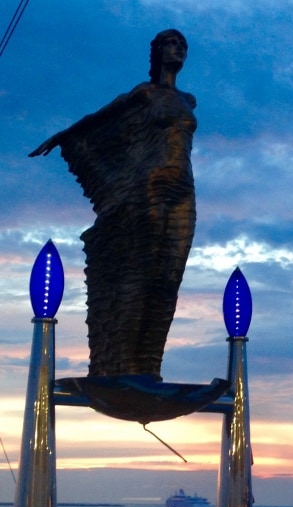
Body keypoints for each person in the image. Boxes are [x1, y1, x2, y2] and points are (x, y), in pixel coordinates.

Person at [29, 30, 197, 380]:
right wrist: (64, 136)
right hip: (152, 183)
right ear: (157, 52)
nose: (178, 49)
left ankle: (150, 366)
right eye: (171, 43)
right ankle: (124, 364)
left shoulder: (188, 100)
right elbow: (101, 118)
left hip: (184, 188)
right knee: (142, 271)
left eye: (182, 45)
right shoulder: (145, 93)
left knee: (169, 277)